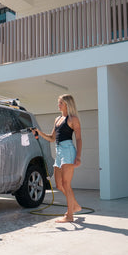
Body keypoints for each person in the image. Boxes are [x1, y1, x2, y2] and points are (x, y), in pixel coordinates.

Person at [32, 94, 82, 223]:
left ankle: (70, 215)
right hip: (59, 150)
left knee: (66, 184)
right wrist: (39, 132)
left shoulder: (73, 119)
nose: (58, 105)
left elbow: (78, 138)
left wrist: (78, 157)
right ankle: (75, 205)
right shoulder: (57, 119)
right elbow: (52, 138)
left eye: (60, 103)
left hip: (68, 151)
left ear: (67, 104)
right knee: (59, 184)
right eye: (58, 103)